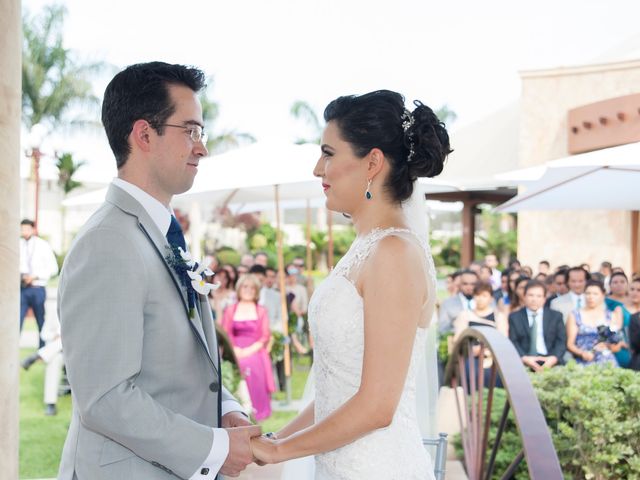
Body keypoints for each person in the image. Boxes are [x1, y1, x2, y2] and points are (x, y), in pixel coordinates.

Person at [57, 62, 260, 480]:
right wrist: (215, 448)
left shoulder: (160, 231)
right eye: (191, 130)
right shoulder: (107, 242)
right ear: (144, 134)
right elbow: (105, 397)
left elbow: (174, 362)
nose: (201, 147)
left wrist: (225, 409)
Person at [250, 89, 450, 478]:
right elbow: (336, 390)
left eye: (328, 153)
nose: (317, 169)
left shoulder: (394, 252)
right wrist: (273, 442)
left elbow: (377, 405)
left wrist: (278, 453)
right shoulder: (367, 247)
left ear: (372, 161)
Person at [222, 274, 276, 420]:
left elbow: (264, 336)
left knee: (252, 364)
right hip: (234, 349)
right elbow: (225, 332)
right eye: (245, 287)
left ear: (257, 291)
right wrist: (235, 350)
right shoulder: (230, 310)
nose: (248, 290)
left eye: (252, 288)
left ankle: (257, 410)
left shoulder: (261, 310)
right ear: (239, 288)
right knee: (238, 365)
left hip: (255, 350)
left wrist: (248, 351)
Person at [508, 280, 566, 372]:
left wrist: (553, 359)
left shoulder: (555, 316)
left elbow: (561, 341)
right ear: (524, 296)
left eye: (539, 296)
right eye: (531, 295)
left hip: (550, 359)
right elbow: (513, 341)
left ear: (544, 298)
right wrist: (524, 358)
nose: (534, 299)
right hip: (525, 360)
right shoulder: (515, 317)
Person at [19, 218, 59, 348]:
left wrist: (35, 276)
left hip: (38, 288)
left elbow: (53, 268)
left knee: (40, 320)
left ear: (33, 229)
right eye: (22, 228)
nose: (24, 231)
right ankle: (12, 349)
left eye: (26, 228)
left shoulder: (43, 246)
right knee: (17, 320)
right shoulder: (18, 245)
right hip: (22, 288)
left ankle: (42, 349)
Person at [566, 280, 623, 366]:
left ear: (603, 295)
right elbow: (570, 344)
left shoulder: (611, 315)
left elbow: (617, 345)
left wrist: (608, 346)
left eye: (595, 294)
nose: (590, 297)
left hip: (606, 361)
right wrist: (582, 353)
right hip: (584, 361)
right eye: (587, 293)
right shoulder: (575, 315)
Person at [21, 309, 64, 415]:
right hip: (58, 353)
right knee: (53, 362)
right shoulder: (55, 311)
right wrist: (54, 336)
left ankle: (38, 356)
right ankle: (51, 404)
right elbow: (44, 333)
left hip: (74, 353)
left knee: (66, 338)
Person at [438, 269, 478, 334]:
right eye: (465, 284)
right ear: (459, 284)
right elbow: (442, 330)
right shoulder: (448, 303)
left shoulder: (488, 302)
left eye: (472, 284)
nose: (469, 287)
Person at [605, 271, 632, 367]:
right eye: (615, 282)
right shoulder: (605, 302)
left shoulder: (634, 300)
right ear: (610, 285)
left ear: (628, 284)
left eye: (622, 282)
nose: (619, 285)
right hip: (617, 343)